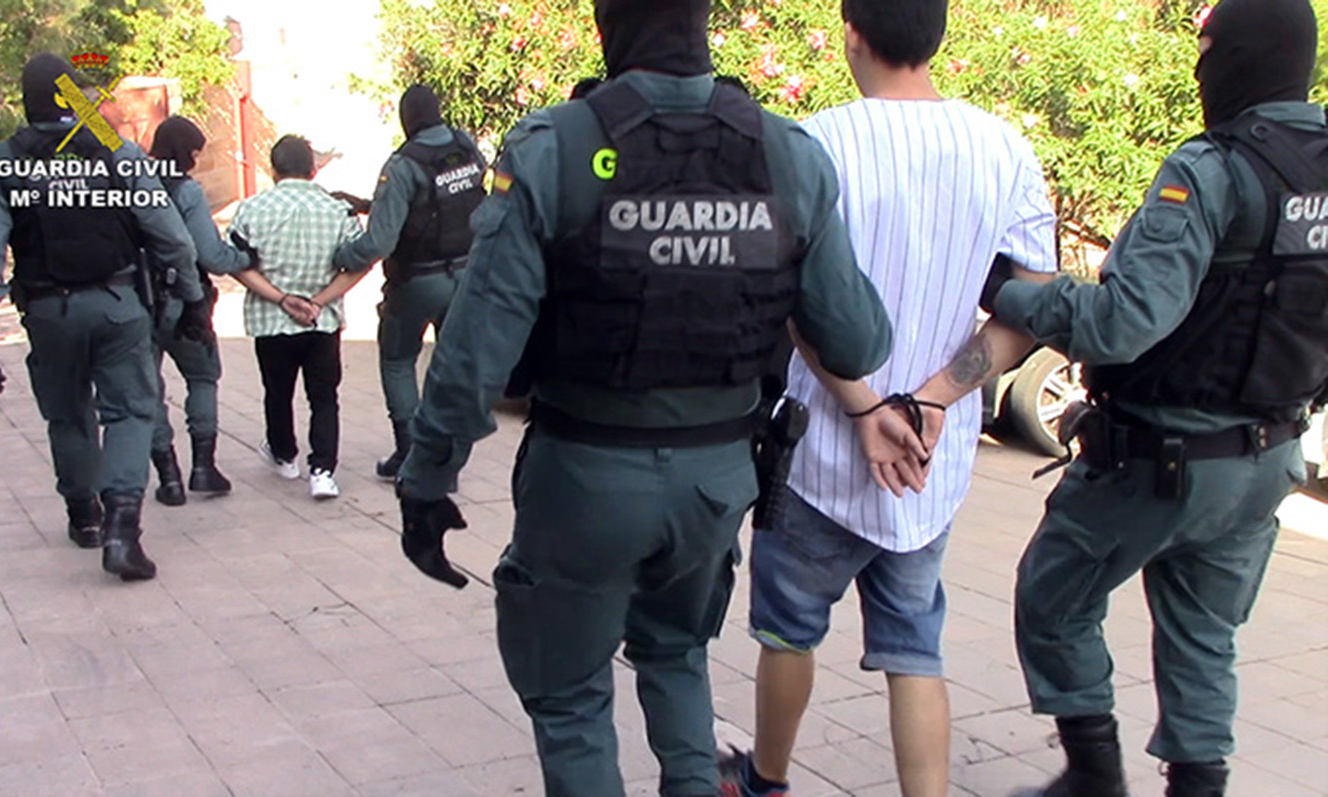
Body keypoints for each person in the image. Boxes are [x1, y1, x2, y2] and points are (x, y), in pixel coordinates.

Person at [392, 1, 894, 793]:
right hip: (716, 483)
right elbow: (859, 342)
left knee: (568, 695)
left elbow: (473, 353)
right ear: (703, 24)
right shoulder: (788, 154)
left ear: (605, 25)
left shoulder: (554, 147)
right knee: (677, 652)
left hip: (584, 477)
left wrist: (427, 477)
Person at [985, 1, 1324, 795]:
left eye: (1207, 51)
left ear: (1235, 56)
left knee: (1053, 598)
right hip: (1267, 456)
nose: (1201, 68)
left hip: (1159, 461)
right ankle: (1196, 785)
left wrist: (1011, 292)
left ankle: (1092, 775)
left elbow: (1122, 322)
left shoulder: (1212, 169)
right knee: (1204, 636)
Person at [721, 2, 1058, 795]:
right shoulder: (1001, 147)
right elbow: (1038, 302)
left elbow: (791, 292)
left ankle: (764, 781)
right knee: (915, 649)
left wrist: (865, 405)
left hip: (817, 450)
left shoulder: (814, 143)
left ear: (851, 34)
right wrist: (936, 398)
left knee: (787, 634)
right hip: (928, 463)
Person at [0, 53, 208, 581]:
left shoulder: (2, 162)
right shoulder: (114, 151)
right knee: (131, 413)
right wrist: (191, 299)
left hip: (49, 310)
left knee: (68, 414)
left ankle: (84, 516)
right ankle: (122, 530)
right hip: (118, 305)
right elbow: (170, 235)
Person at [329, 84, 487, 481]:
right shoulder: (465, 147)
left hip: (418, 281)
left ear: (407, 120)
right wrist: (370, 204)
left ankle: (410, 451)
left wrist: (342, 256)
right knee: (451, 364)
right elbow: (446, 204)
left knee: (399, 361)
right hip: (467, 273)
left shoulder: (402, 165)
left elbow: (380, 242)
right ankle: (447, 454)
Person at [228, 135, 365, 500]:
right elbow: (359, 263)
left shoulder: (251, 210)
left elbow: (238, 265)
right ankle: (322, 470)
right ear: (313, 169)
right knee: (323, 396)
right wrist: (318, 301)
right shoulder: (339, 211)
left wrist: (282, 298)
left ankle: (284, 455)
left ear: (272, 170)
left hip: (271, 319)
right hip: (322, 321)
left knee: (277, 391)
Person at [144, 116, 253, 506]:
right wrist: (244, 256)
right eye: (194, 152)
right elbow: (210, 254)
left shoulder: (128, 182)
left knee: (148, 389)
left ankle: (168, 477)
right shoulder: (186, 191)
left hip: (137, 303)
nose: (195, 159)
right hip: (183, 303)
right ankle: (203, 467)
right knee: (203, 377)